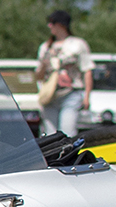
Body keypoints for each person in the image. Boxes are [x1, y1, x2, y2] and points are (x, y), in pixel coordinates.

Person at [36, 8, 94, 137]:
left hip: (71, 94)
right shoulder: (45, 47)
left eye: (52, 22)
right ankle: (52, 157)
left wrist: (87, 96)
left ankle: (67, 157)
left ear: (61, 25)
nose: (49, 26)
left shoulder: (78, 44)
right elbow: (38, 76)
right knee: (49, 136)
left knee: (67, 134)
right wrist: (43, 65)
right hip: (50, 96)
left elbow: (87, 70)